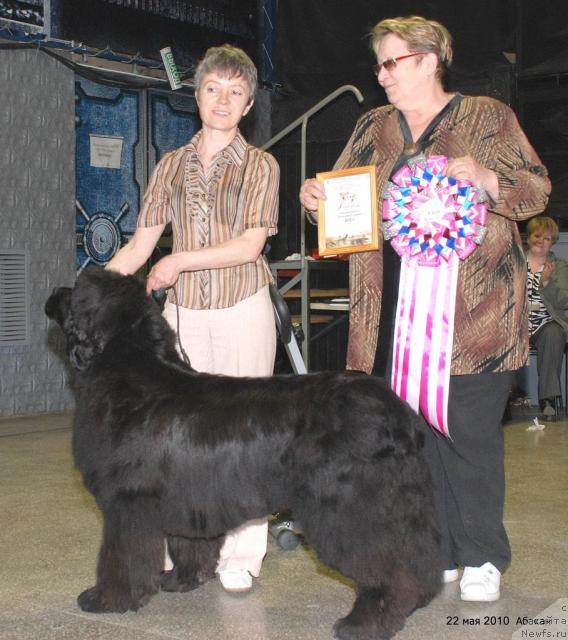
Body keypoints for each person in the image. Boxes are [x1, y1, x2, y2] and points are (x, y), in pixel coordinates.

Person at [299, 15, 550, 602]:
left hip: (476, 315)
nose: (382, 75)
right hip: (389, 316)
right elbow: (346, 203)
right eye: (379, 64)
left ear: (431, 59)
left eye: (393, 62)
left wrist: (489, 179)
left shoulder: (487, 116)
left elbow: (536, 188)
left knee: (468, 434)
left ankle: (483, 554)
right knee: (412, 438)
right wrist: (317, 202)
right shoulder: (372, 126)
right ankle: (436, 549)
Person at [106, 44, 280, 594]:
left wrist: (179, 260)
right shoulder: (169, 166)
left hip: (242, 308)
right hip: (180, 317)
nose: (223, 100)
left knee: (244, 436)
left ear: (249, 103)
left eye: (235, 91)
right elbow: (139, 247)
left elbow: (250, 245)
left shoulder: (261, 165)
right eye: (213, 88)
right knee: (174, 440)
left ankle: (242, 554)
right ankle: (177, 550)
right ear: (197, 94)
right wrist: (96, 289)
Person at [525, 216, 568, 418]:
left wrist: (548, 283)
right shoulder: (516, 262)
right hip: (517, 325)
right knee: (499, 335)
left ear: (553, 242)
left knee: (554, 333)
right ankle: (502, 400)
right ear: (529, 237)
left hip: (545, 323)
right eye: (538, 236)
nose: (541, 242)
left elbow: (564, 302)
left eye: (548, 238)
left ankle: (547, 399)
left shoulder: (559, 266)